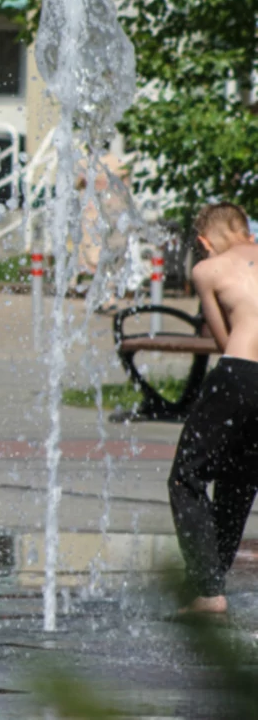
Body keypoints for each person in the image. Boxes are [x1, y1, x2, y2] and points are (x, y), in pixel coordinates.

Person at [168, 202, 258, 616]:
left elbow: (224, 342)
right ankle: (212, 582)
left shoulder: (209, 270)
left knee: (187, 476)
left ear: (205, 241)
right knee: (239, 479)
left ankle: (208, 591)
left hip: (239, 374)